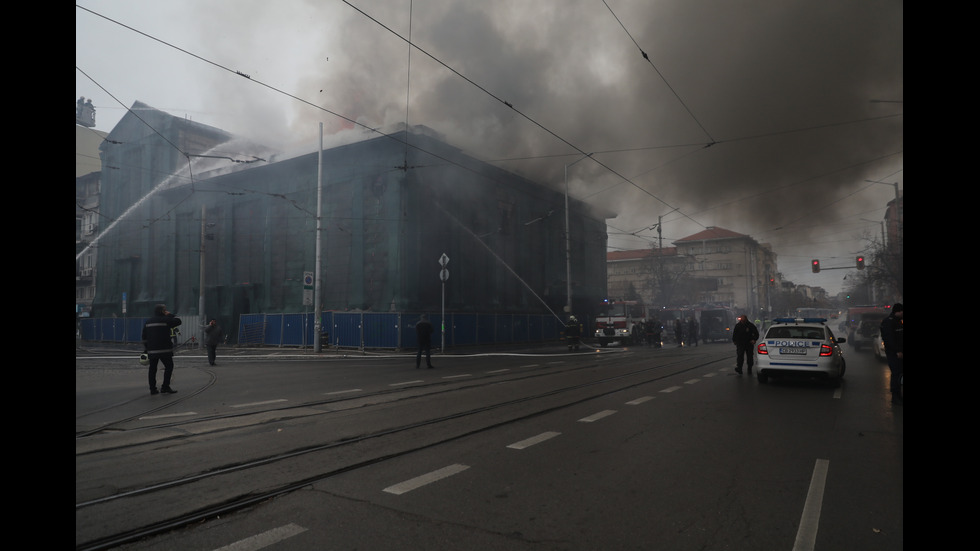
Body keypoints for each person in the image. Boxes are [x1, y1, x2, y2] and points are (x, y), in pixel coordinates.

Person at [142, 304, 182, 394]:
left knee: (152, 369)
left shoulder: (148, 321)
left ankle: (152, 389)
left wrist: (146, 348)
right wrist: (170, 315)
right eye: (165, 310)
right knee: (169, 367)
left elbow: (144, 336)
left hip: (152, 350)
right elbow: (178, 321)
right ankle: (165, 387)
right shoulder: (166, 320)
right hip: (165, 350)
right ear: (163, 311)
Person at [879, 303, 904, 405]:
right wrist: (897, 351)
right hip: (894, 353)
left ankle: (898, 394)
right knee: (896, 373)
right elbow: (890, 339)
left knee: (899, 373)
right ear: (898, 311)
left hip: (899, 352)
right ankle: (895, 396)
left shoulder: (898, 321)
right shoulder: (888, 322)